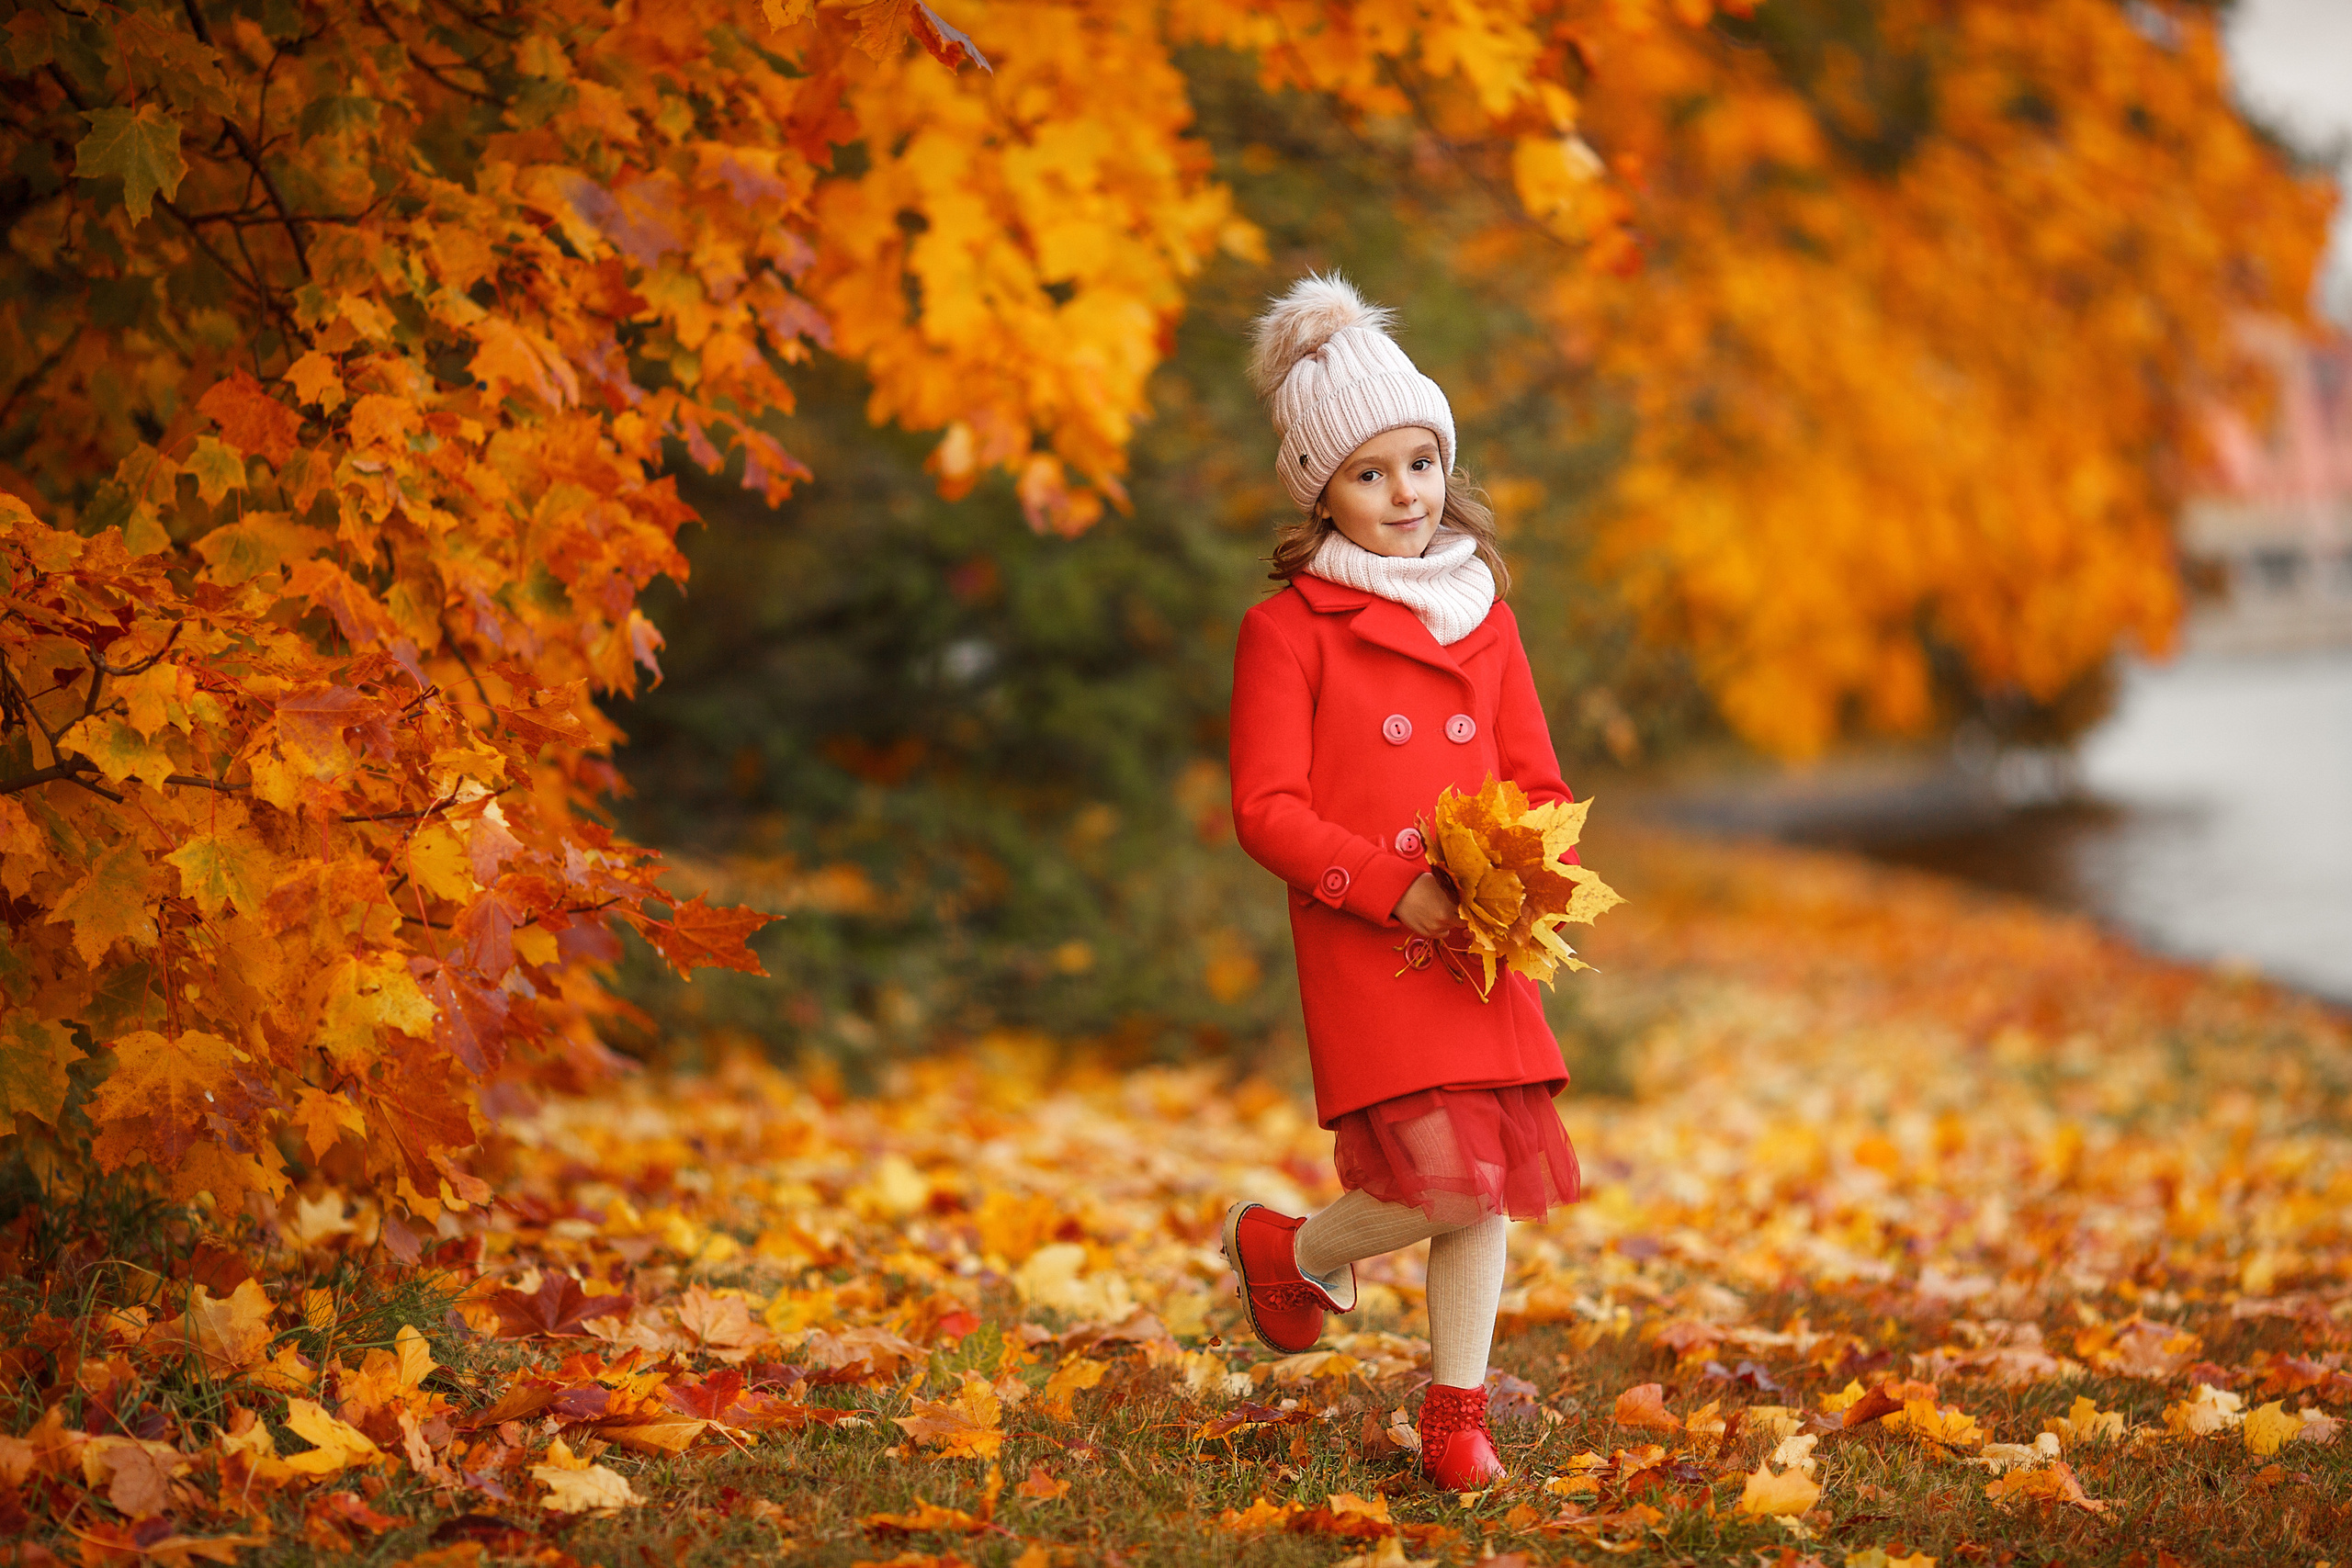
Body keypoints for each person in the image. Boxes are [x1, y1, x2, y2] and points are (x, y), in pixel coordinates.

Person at [1221, 273, 1583, 1490]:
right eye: (1369, 474)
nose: (1403, 495)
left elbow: (1535, 776)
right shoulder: (1290, 631)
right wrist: (1388, 886)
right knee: (1439, 1181)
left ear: (1447, 465)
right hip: (1371, 936)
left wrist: (1529, 876)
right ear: (1323, 489)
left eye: (1419, 464)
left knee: (1483, 1189)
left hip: (1480, 940)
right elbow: (1266, 809)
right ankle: (1298, 1246)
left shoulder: (1486, 616)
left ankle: (1454, 1418)